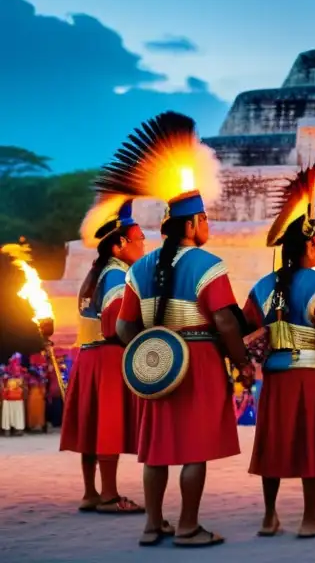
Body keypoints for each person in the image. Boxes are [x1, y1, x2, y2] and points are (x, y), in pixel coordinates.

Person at [108, 112, 255, 548]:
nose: (208, 226)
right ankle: (189, 527)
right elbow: (227, 321)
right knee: (193, 450)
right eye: (205, 219)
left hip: (157, 364)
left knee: (155, 450)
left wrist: (149, 355)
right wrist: (243, 363)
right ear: (191, 225)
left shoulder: (140, 267)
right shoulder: (209, 266)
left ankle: (153, 525)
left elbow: (122, 325)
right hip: (200, 362)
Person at [242, 166, 315, 539]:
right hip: (312, 375)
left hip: (274, 376)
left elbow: (245, 326)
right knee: (311, 442)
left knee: (272, 442)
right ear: (308, 246)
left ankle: (269, 517)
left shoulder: (261, 286)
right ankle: (308, 519)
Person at [60, 199, 146, 514]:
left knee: (92, 425)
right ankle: (109, 496)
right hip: (108, 357)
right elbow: (114, 323)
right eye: (138, 239)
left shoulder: (98, 273)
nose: (143, 245)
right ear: (119, 245)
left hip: (88, 357)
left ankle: (91, 493)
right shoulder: (116, 276)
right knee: (107, 423)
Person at [2, 353, 26, 436]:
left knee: (9, 413)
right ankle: (17, 429)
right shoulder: (19, 370)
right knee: (17, 413)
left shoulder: (6, 369)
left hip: (11, 396)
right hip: (14, 396)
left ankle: (9, 429)